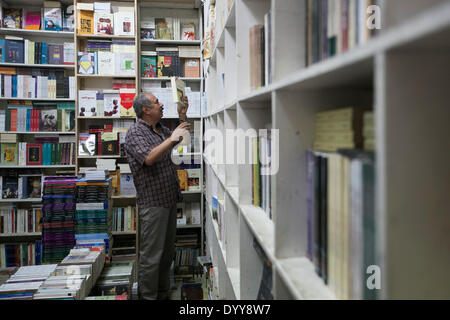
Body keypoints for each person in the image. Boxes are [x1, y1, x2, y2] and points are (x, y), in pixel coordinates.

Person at [124, 92, 190, 300]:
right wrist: (171, 139)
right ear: (145, 109)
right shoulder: (135, 133)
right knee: (151, 258)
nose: (161, 105)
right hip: (153, 204)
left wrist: (182, 116)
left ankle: (162, 295)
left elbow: (182, 142)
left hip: (169, 200)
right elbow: (150, 158)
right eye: (156, 102)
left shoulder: (160, 129)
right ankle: (149, 298)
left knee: (166, 255)